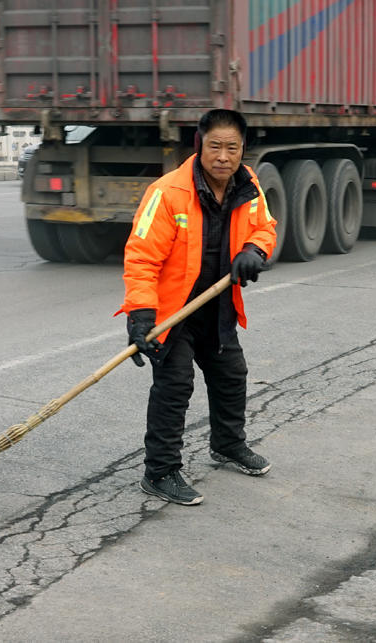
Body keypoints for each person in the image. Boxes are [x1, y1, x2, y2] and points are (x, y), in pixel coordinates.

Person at [116, 108, 278, 505]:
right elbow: (141, 258)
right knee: (175, 386)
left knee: (231, 374)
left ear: (243, 150)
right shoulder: (168, 193)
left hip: (216, 304)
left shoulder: (248, 184)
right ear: (199, 147)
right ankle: (160, 472)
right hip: (173, 312)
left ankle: (227, 445)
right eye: (215, 147)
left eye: (232, 148)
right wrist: (140, 316)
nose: (223, 157)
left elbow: (264, 227)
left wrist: (254, 250)